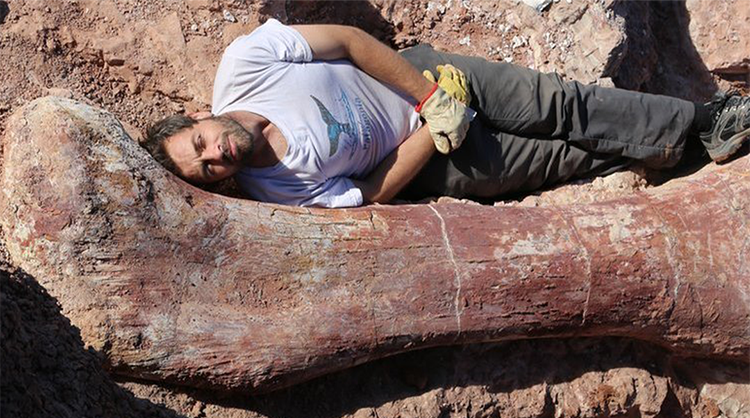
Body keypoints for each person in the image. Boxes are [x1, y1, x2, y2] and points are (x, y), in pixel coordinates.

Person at [140, 19, 750, 208]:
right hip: (437, 157)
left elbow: (351, 42)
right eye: (208, 172)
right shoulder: (277, 188)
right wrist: (433, 133)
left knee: (564, 104)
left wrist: (433, 96)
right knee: (563, 160)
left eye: (200, 145)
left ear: (198, 117)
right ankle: (691, 156)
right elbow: (368, 193)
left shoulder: (244, 65)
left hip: (431, 78)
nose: (216, 156)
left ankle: (705, 124)